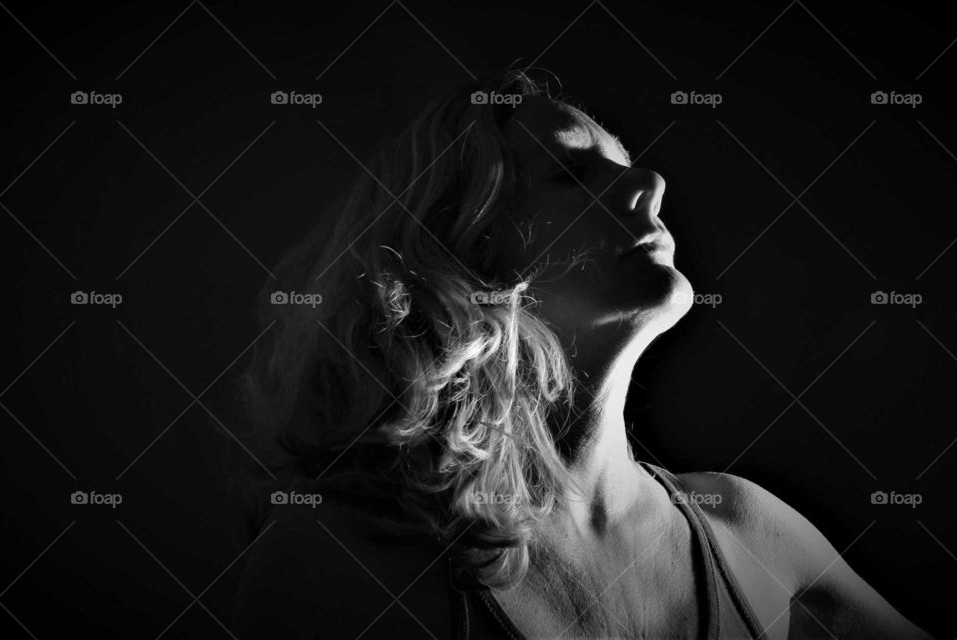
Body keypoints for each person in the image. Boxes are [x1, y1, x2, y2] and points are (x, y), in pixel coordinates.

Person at [232, 69, 932, 639]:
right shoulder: (338, 559)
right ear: (459, 254)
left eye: (627, 167)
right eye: (571, 174)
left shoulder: (743, 526)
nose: (650, 185)